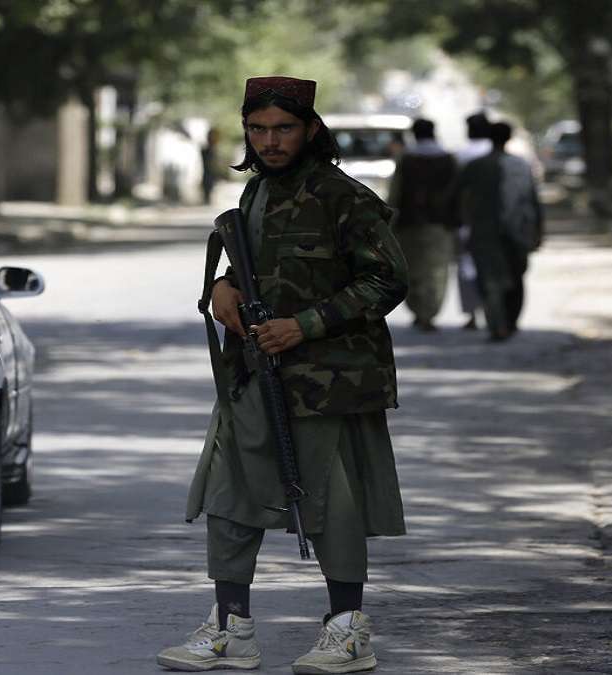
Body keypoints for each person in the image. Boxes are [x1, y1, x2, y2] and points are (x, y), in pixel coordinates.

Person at [159, 76, 408, 674]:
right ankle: (230, 628)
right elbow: (250, 271)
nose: (270, 141)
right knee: (229, 491)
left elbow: (388, 280)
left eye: (284, 129)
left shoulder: (342, 196)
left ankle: (347, 631)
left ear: (311, 130)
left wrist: (307, 325)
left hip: (328, 379)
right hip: (255, 372)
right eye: (259, 129)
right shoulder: (255, 195)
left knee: (332, 505)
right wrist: (222, 288)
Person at [457, 121, 543, 342]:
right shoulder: (521, 165)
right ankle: (509, 323)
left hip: (485, 233)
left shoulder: (476, 166)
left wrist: (458, 226)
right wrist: (539, 232)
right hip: (518, 232)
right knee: (515, 278)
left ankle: (498, 325)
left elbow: (455, 196)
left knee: (490, 281)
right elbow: (534, 201)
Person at [388, 118, 460, 332]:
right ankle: (429, 312)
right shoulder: (449, 159)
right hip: (440, 225)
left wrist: (389, 221)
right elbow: (457, 193)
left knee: (412, 269)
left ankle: (419, 311)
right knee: (437, 271)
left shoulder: (406, 159)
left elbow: (396, 192)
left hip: (409, 224)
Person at [454, 112, 493, 330]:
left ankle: (472, 315)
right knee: (492, 266)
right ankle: (493, 310)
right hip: (493, 221)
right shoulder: (494, 152)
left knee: (466, 267)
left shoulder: (461, 154)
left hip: (467, 219)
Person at [201, 127, 221, 205]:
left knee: (209, 183)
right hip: (208, 172)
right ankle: (207, 198)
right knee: (208, 183)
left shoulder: (210, 150)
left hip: (209, 173)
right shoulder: (207, 151)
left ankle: (207, 198)